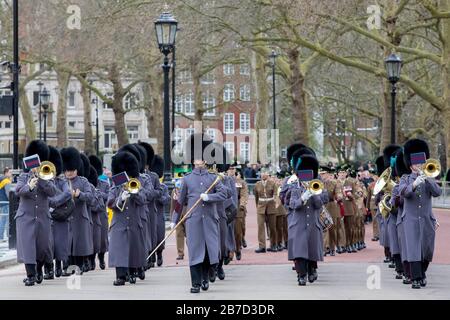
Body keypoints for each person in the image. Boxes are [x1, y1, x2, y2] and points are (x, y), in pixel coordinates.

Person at [171, 134, 227, 293]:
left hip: (210, 219)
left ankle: (205, 277)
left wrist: (209, 197)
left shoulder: (214, 178)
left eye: (201, 158)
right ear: (193, 160)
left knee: (209, 251)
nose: (199, 160)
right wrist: (174, 220)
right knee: (195, 252)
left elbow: (224, 194)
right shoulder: (187, 179)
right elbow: (179, 202)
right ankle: (195, 283)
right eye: (196, 158)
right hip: (193, 220)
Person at [399, 139, 441, 289]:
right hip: (410, 220)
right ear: (410, 165)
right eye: (417, 165)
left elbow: (438, 192)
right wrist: (415, 183)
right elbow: (403, 192)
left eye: (421, 165)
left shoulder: (429, 178)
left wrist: (428, 179)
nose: (419, 167)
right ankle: (416, 278)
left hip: (427, 219)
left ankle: (422, 273)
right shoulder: (405, 179)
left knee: (427, 249)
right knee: (413, 249)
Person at [15, 140, 57, 286]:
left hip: (42, 218)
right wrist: (29, 186)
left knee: (42, 246)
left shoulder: (47, 176)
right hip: (26, 217)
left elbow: (52, 192)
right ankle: (31, 275)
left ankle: (39, 270)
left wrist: (42, 180)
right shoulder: (23, 177)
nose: (35, 168)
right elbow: (18, 191)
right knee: (28, 246)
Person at [108, 151, 151, 286]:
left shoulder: (137, 183)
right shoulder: (116, 185)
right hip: (119, 223)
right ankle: (120, 276)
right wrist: (121, 198)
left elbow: (144, 199)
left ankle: (132, 273)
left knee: (134, 250)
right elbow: (109, 202)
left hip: (134, 221)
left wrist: (135, 193)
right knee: (119, 250)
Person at [286, 153, 328, 285]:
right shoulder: (295, 188)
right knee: (300, 250)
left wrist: (313, 193)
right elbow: (292, 205)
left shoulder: (318, 186)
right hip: (298, 223)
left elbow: (320, 204)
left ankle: (312, 270)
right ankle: (301, 275)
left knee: (312, 249)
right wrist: (303, 197)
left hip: (313, 223)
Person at [60, 147, 95, 274]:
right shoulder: (61, 182)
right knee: (67, 244)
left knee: (79, 245)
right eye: (67, 170)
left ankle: (79, 267)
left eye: (71, 170)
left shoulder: (83, 181)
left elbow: (91, 197)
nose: (69, 173)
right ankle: (69, 268)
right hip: (66, 217)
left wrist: (80, 195)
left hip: (80, 216)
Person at [48, 146, 72, 278]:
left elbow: (68, 193)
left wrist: (55, 202)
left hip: (59, 216)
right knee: (48, 244)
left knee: (60, 243)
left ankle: (59, 266)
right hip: (47, 216)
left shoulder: (61, 182)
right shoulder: (42, 181)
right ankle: (49, 269)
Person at [89, 155, 110, 270]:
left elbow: (108, 196)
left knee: (102, 239)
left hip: (101, 214)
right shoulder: (87, 184)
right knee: (92, 238)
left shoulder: (105, 184)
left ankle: (101, 258)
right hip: (91, 213)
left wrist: (98, 193)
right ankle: (91, 259)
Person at [150, 155, 170, 267]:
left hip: (159, 215)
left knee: (159, 236)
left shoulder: (163, 187)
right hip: (150, 214)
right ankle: (151, 256)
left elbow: (167, 199)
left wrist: (158, 197)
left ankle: (159, 254)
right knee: (150, 236)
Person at [253, 168, 278, 253]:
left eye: (265, 173)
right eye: (262, 173)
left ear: (268, 175)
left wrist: (275, 202)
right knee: (260, 227)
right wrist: (258, 206)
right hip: (261, 207)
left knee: (272, 227)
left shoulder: (273, 183)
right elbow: (256, 197)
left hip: (271, 206)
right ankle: (262, 246)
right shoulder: (257, 184)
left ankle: (273, 245)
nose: (264, 174)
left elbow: (275, 194)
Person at [233, 167, 248, 260]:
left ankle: (238, 249)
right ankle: (228, 253)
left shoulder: (240, 182)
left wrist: (242, 205)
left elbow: (243, 194)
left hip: (238, 208)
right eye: (229, 169)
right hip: (226, 209)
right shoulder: (223, 180)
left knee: (238, 232)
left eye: (232, 169)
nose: (231, 171)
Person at [0, 167, 12, 242]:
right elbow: (9, 194)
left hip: (2, 202)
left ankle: (1, 236)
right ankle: (7, 236)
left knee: (3, 219)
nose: (11, 174)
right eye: (10, 172)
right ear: (6, 173)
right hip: (6, 202)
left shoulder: (1, 179)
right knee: (6, 220)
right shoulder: (6, 181)